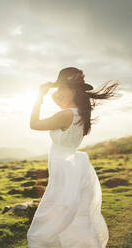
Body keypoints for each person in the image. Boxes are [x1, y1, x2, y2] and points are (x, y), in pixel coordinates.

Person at [27, 67, 120, 248]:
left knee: (52, 218)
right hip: (72, 168)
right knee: (71, 214)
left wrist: (40, 96)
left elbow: (34, 124)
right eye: (58, 88)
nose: (58, 93)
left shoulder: (66, 114)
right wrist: (54, 91)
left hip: (64, 169)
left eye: (63, 88)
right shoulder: (79, 114)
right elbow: (60, 101)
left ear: (74, 91)